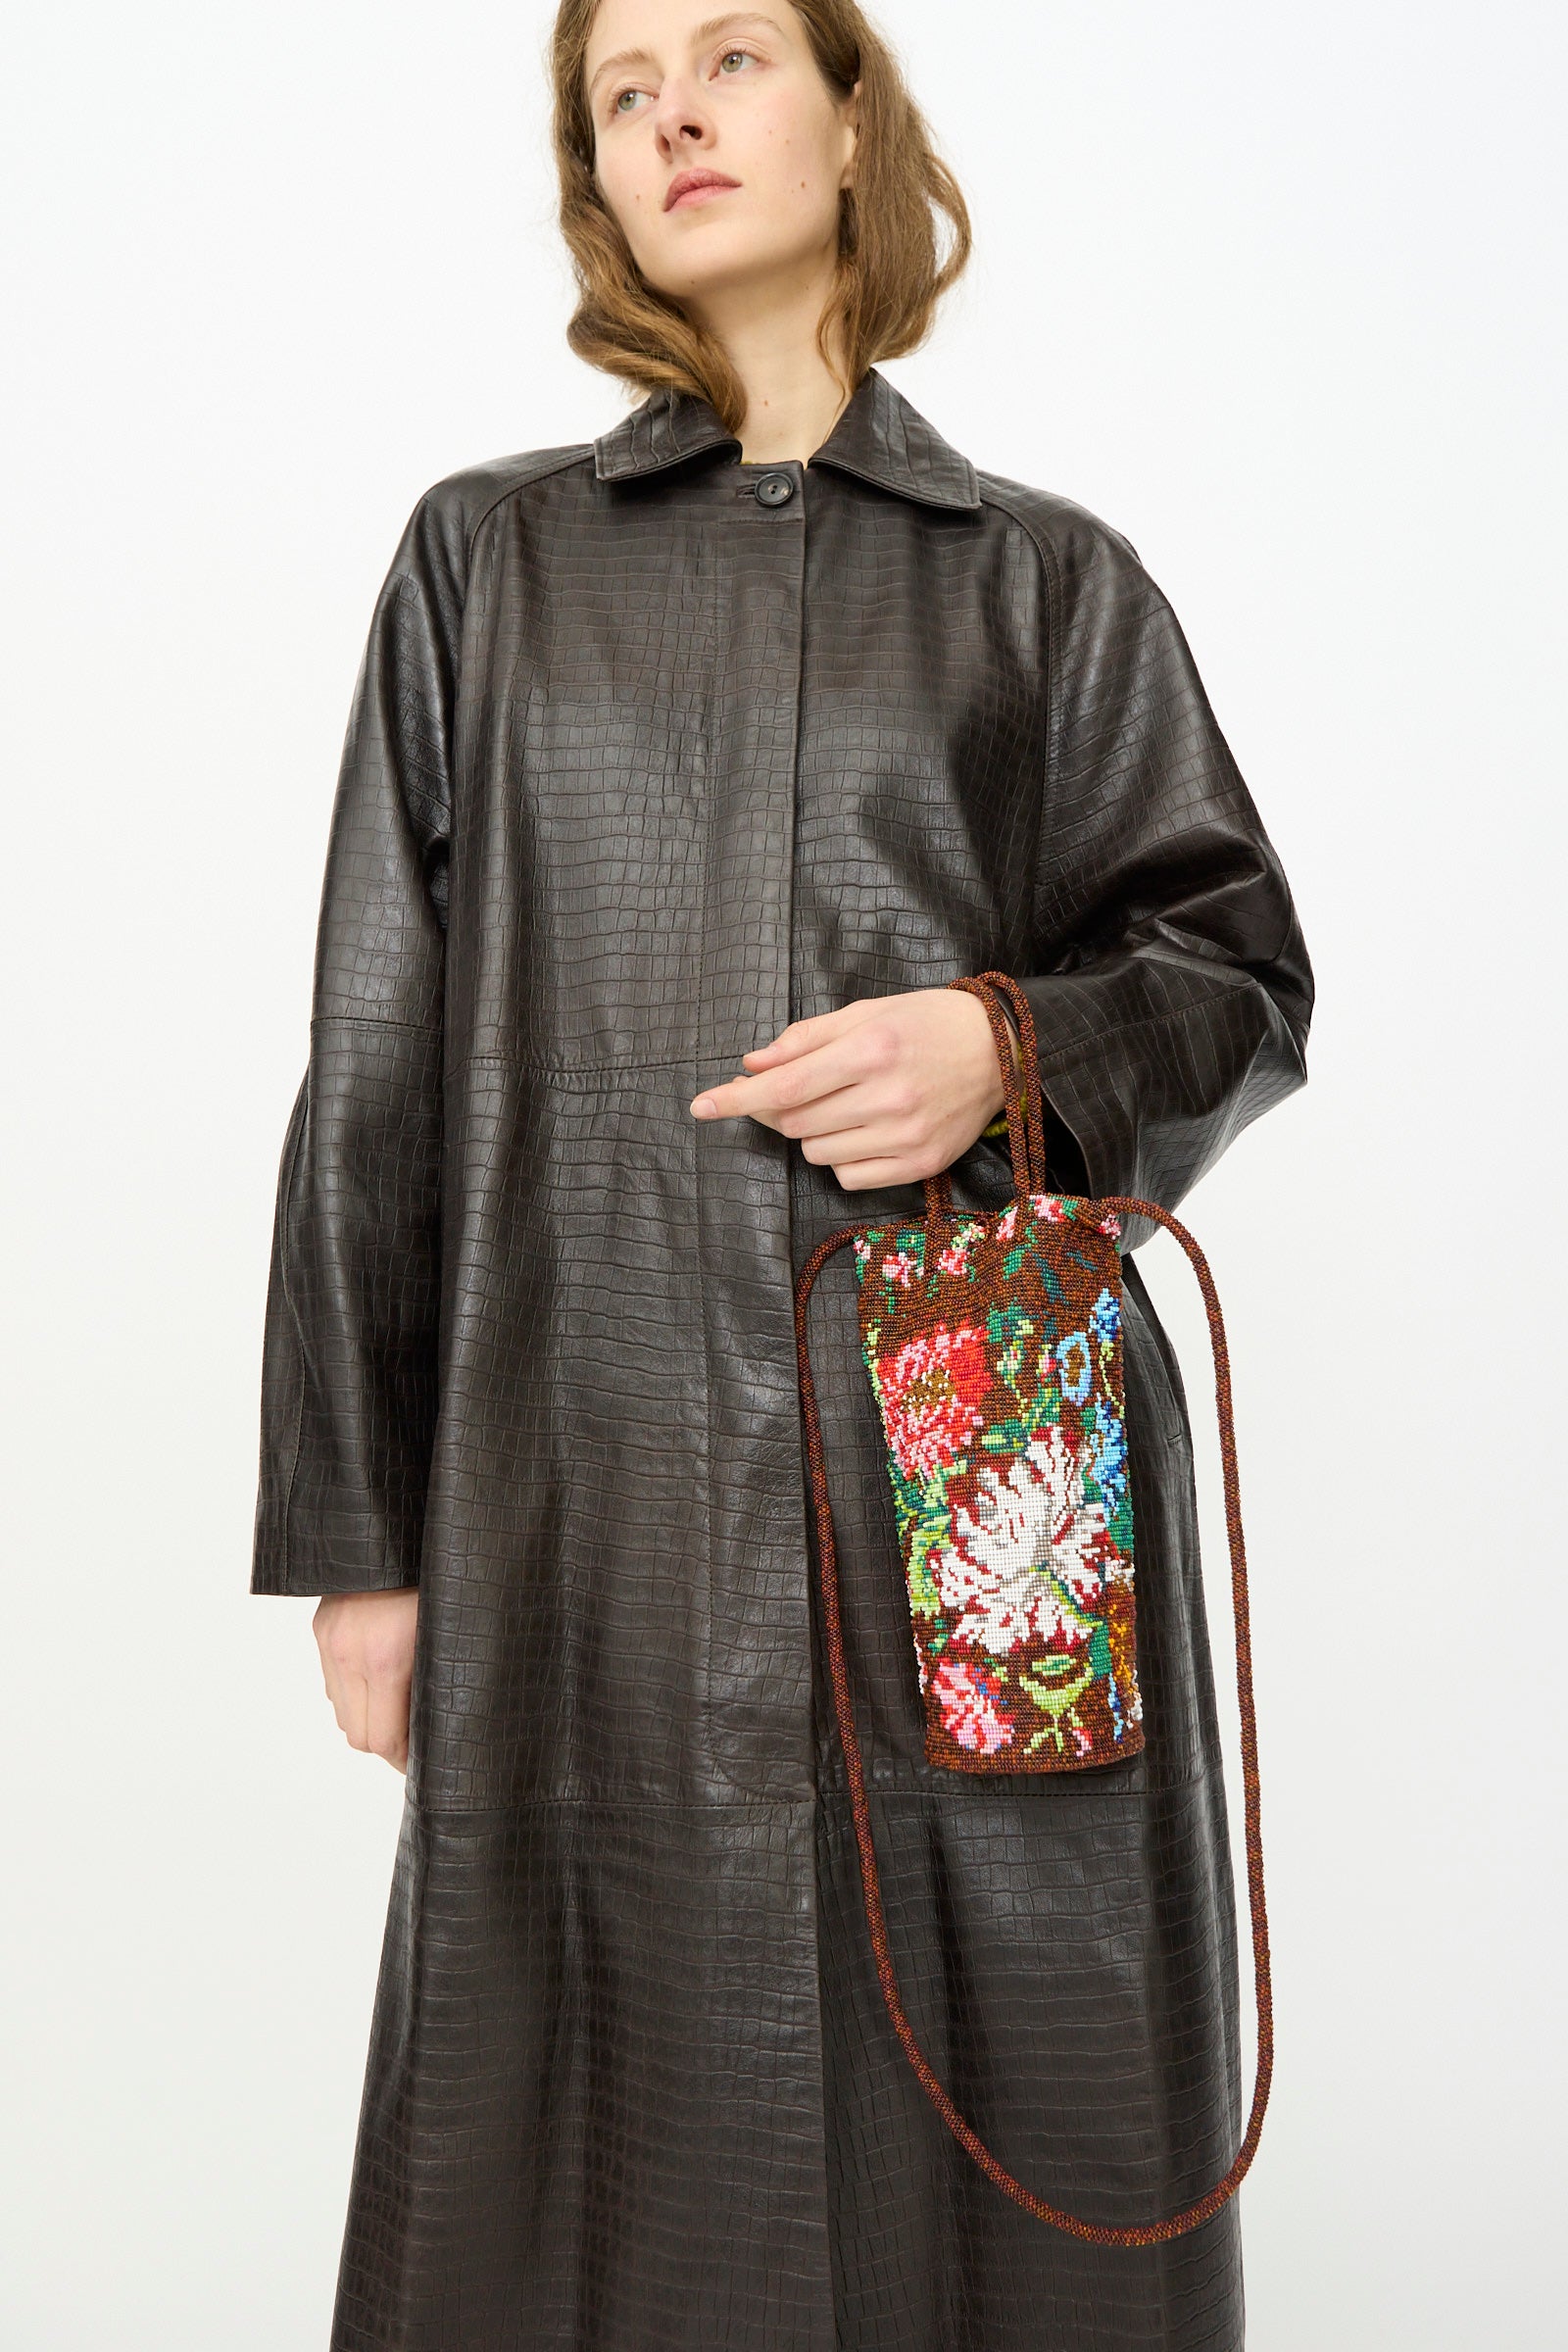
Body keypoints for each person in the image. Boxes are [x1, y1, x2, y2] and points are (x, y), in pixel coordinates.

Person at [250, 1, 1313, 2345]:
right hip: (582, 1469)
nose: (672, 114)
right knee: (571, 2141)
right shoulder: (483, 571)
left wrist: (998, 1045)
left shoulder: (1043, 585)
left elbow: (1237, 976)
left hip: (971, 1476)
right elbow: (373, 1064)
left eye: (730, 57)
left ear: (851, 119)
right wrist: (355, 1539)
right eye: (619, 93)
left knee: (1014, 2100)